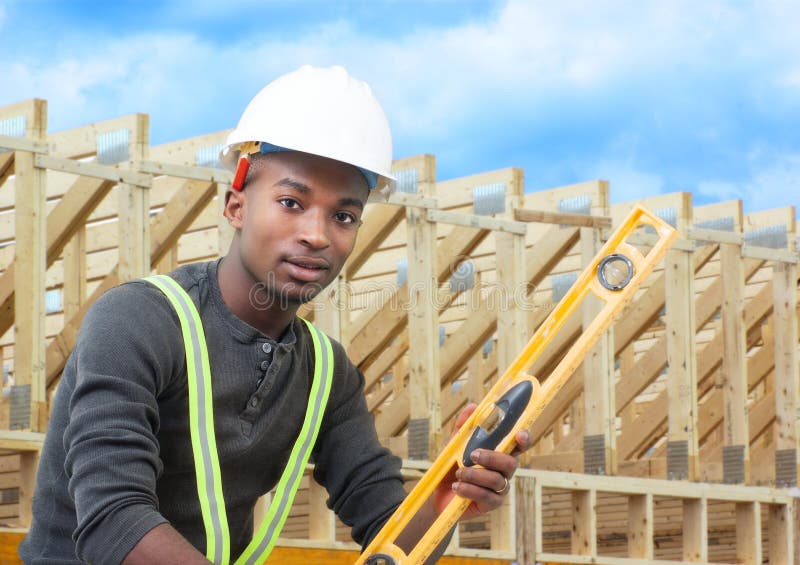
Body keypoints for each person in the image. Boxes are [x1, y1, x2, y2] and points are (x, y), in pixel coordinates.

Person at [19, 65, 530, 565]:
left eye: (344, 216)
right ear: (236, 206)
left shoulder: (326, 374)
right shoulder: (138, 322)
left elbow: (391, 535)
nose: (317, 234)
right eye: (290, 201)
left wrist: (446, 497)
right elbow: (114, 519)